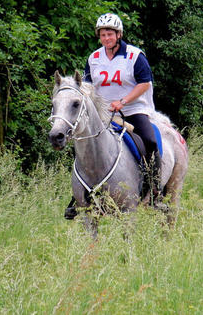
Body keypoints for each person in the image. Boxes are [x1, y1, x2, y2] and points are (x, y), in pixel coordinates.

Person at [64, 13, 161, 219]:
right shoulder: (94, 58)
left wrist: (123, 101)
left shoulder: (135, 56)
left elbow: (145, 83)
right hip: (103, 114)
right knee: (83, 143)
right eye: (103, 35)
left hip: (133, 111)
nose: (106, 38)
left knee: (150, 141)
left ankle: (154, 191)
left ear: (119, 35)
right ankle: (79, 196)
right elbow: (87, 87)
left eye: (110, 34)